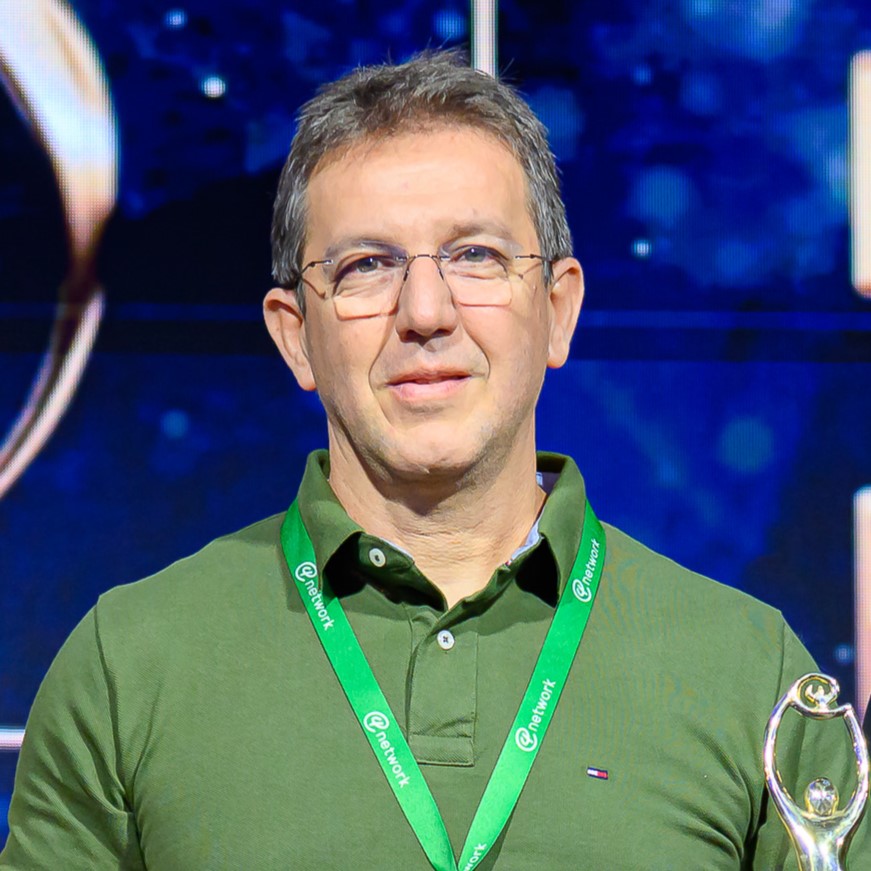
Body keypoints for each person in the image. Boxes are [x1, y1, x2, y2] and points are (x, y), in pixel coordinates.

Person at [1, 50, 868, 870]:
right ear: (294, 335)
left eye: (475, 256)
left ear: (558, 310)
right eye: (366, 265)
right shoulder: (130, 663)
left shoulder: (750, 672)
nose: (425, 311)